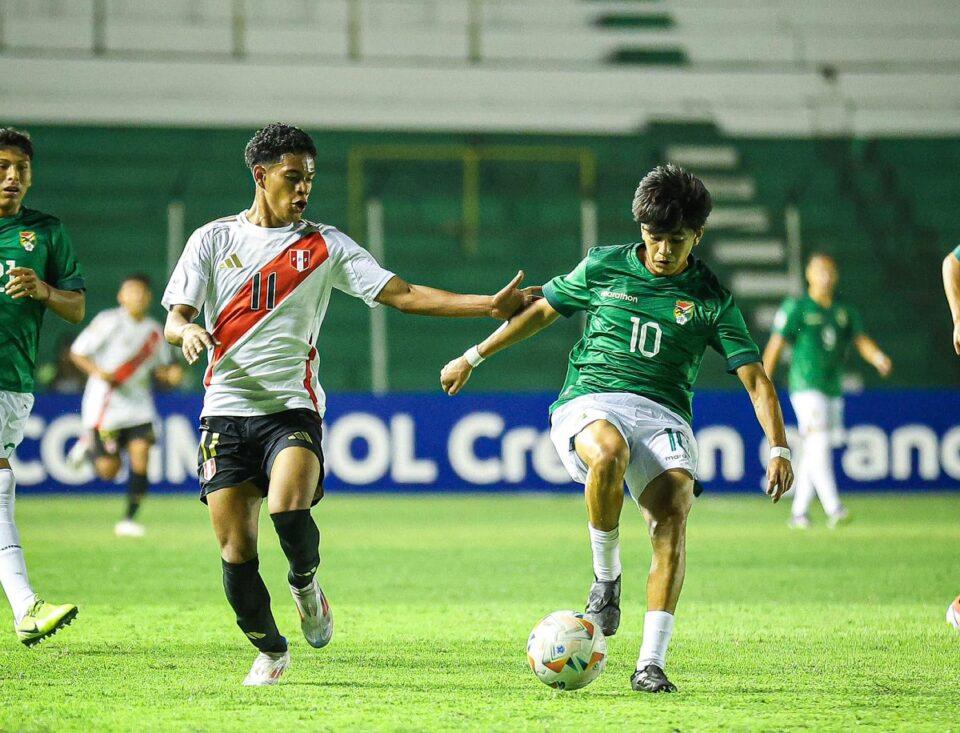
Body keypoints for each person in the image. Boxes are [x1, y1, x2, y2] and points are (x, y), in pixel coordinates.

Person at [161, 123, 539, 686]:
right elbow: (176, 316)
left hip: (291, 409)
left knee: (289, 510)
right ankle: (270, 649)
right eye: (293, 177)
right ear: (260, 176)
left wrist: (487, 305)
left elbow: (404, 294)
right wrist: (185, 333)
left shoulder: (325, 246)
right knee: (236, 551)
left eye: (310, 178)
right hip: (224, 410)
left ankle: (305, 584)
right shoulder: (211, 240)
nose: (304, 188)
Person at [440, 164, 794, 694]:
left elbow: (755, 378)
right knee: (607, 451)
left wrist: (779, 447)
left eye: (677, 240)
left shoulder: (711, 299)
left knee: (672, 512)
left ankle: (650, 663)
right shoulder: (604, 266)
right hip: (591, 399)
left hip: (665, 414)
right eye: (654, 238)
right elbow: (542, 311)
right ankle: (606, 581)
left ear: (698, 235)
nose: (663, 251)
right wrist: (473, 355)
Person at [0, 127, 85, 645]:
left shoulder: (45, 233)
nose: (11, 178)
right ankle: (25, 605)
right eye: (2, 167)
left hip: (13, 381)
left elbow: (75, 308)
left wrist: (43, 288)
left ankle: (25, 607)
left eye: (20, 169)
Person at [763, 254, 891, 529]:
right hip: (806, 387)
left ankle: (799, 513)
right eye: (820, 271)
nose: (826, 276)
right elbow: (776, 344)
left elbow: (861, 340)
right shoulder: (797, 307)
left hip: (832, 388)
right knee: (818, 442)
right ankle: (834, 507)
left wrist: (878, 358)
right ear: (809, 274)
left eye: (830, 271)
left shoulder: (843, 312)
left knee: (814, 447)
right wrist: (765, 381)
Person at [69, 274, 183, 537]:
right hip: (106, 406)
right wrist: (98, 372)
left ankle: (129, 519)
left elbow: (161, 370)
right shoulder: (108, 322)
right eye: (131, 291)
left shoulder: (155, 331)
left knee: (141, 457)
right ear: (121, 296)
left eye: (142, 292)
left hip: (138, 407)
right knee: (109, 471)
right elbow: (78, 351)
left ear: (150, 297)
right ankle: (88, 447)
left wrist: (171, 376)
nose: (137, 297)